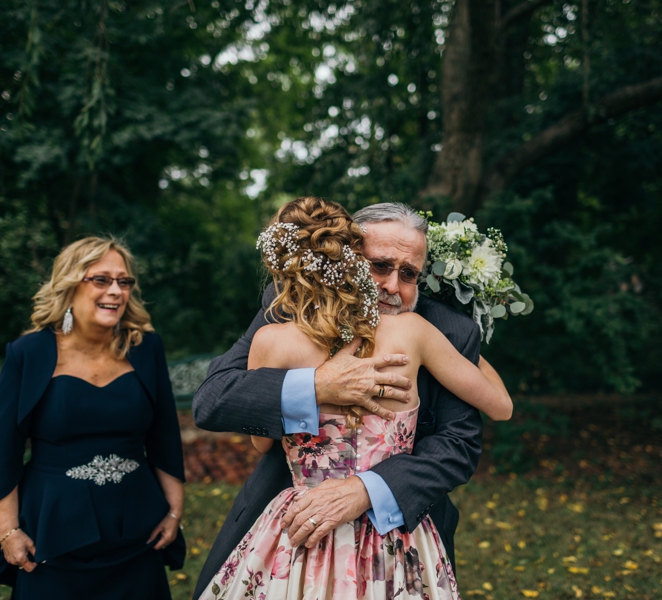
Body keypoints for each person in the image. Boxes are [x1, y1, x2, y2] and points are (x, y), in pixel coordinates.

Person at [193, 198, 509, 599]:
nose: (392, 286)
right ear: (346, 256)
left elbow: (458, 445)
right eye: (380, 265)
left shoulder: (445, 330)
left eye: (409, 273)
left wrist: (366, 489)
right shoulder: (285, 305)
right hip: (291, 526)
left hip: (399, 522)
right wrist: (316, 386)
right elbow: (212, 400)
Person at [0, 237, 186, 599]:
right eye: (101, 280)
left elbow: (164, 435)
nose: (116, 291)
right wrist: (9, 531)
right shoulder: (29, 353)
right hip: (52, 529)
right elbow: (4, 451)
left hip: (135, 525)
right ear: (70, 285)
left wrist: (175, 511)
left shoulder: (145, 348)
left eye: (124, 281)